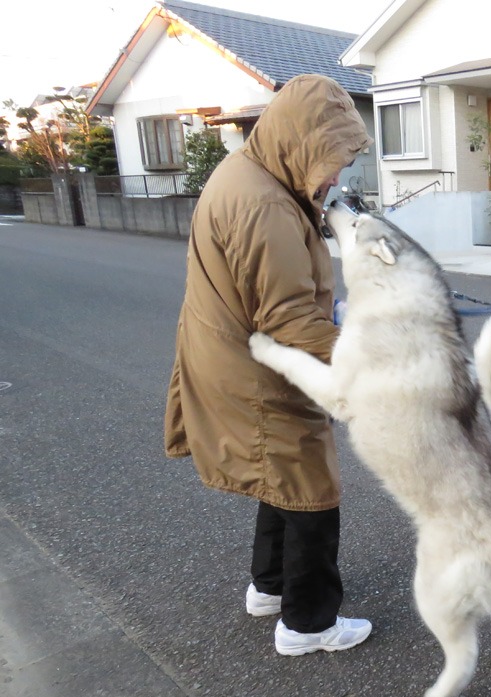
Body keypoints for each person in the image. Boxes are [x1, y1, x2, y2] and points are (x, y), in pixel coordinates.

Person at [164, 74, 374, 654]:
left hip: (233, 355)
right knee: (310, 485)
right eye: (333, 158)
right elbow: (287, 318)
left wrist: (336, 312)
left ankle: (271, 588)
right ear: (302, 141)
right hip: (256, 369)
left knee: (278, 477)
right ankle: (309, 626)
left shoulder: (250, 174)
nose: (336, 176)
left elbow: (279, 295)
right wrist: (368, 353)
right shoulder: (264, 205)